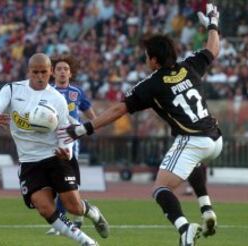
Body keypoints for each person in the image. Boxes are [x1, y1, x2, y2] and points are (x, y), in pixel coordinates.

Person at [59, 4, 222, 246]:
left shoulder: (151, 84)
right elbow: (213, 49)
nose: (145, 58)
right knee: (193, 162)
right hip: (215, 138)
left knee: (160, 189)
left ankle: (185, 229)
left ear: (154, 60)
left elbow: (118, 110)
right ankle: (206, 208)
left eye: (147, 55)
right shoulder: (190, 66)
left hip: (193, 140)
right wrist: (213, 24)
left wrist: (83, 128)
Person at [0, 53, 109, 246]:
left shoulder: (57, 99)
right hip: (28, 160)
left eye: (44, 72)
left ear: (50, 72)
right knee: (44, 207)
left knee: (73, 207)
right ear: (28, 71)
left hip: (55, 157)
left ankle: (92, 212)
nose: (40, 76)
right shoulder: (12, 90)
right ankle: (86, 242)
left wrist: (65, 149)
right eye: (35, 72)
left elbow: (66, 131)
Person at [47, 55, 97, 235]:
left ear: (70, 73)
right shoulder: (47, 91)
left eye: (65, 69)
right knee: (57, 181)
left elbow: (90, 114)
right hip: (51, 139)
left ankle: (62, 222)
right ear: (52, 73)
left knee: (64, 180)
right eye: (58, 69)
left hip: (70, 139)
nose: (62, 72)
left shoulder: (77, 92)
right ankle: (78, 212)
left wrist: (94, 125)